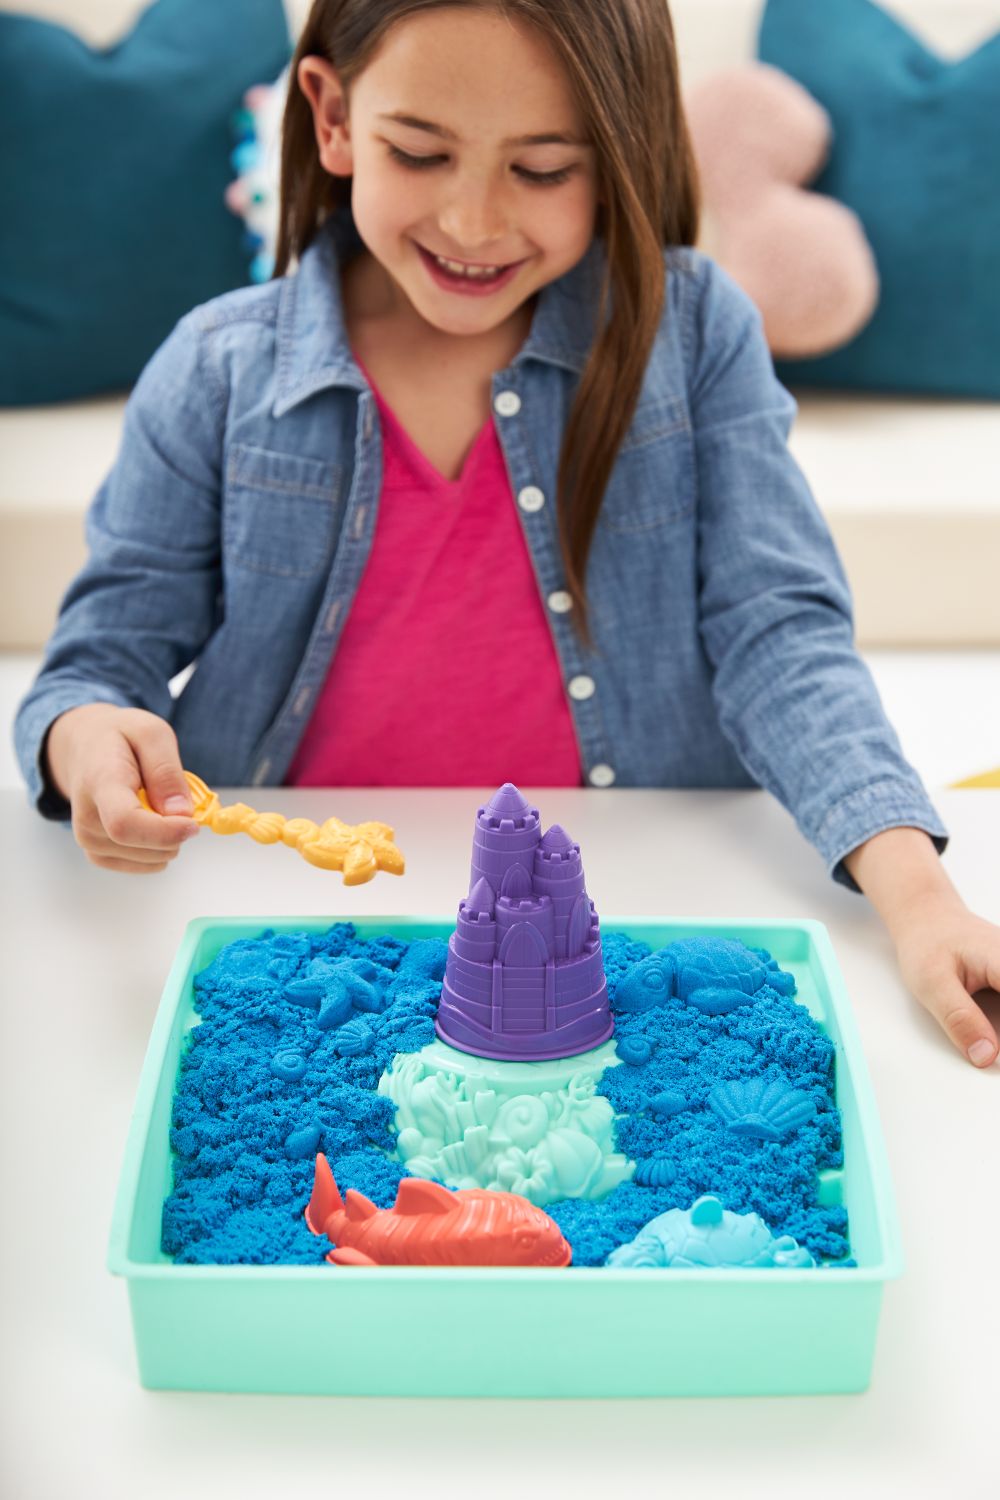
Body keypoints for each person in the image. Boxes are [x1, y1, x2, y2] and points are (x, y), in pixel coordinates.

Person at [13, 0, 998, 1068]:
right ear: (334, 118)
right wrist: (87, 742)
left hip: (635, 911)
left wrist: (921, 902)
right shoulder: (215, 369)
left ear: (618, 153)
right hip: (296, 932)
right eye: (419, 152)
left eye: (542, 169)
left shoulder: (693, 334)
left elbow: (780, 636)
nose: (475, 223)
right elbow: (99, 662)